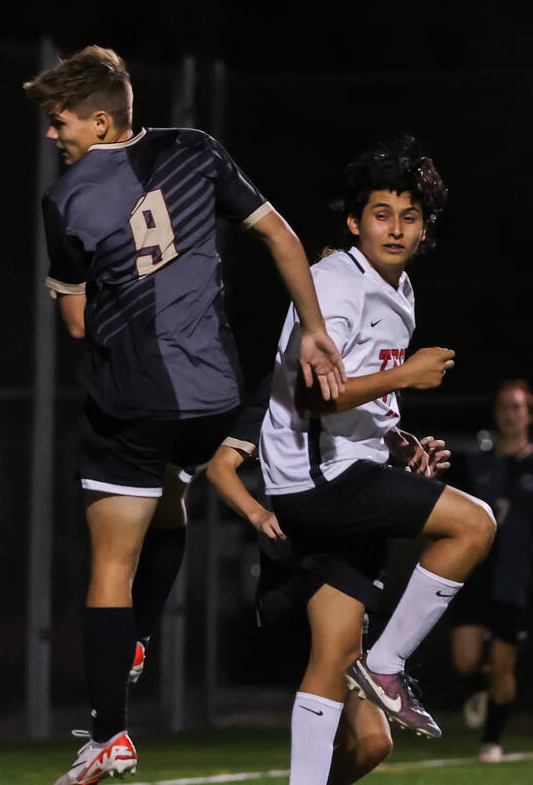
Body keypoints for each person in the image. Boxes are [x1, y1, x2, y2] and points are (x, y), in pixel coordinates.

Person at [21, 45, 346, 784]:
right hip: (213, 398)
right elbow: (280, 236)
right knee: (170, 501)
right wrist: (315, 327)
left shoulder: (67, 198)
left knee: (111, 562)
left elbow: (73, 322)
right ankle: (135, 642)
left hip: (131, 400)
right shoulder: (196, 150)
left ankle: (111, 733)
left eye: (59, 120)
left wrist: (105, 299)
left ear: (100, 122)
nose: (52, 134)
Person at [256, 136, 495, 785]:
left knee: (353, 706)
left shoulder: (401, 290)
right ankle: (388, 664)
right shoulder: (337, 282)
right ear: (354, 221)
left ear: (426, 228)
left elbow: (359, 396)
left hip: (340, 472)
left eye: (409, 215)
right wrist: (408, 379)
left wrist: (398, 442)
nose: (395, 227)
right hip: (317, 479)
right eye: (381, 212)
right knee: (474, 526)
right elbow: (312, 396)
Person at [207, 369, 451, 784]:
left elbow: (359, 474)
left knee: (374, 742)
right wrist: (258, 513)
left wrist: (410, 476)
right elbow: (220, 467)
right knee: (330, 663)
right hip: (312, 554)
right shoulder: (286, 383)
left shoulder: (365, 386)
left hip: (353, 548)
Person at [446, 378, 533, 763]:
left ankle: (492, 740)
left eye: (517, 407)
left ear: (528, 413)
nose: (510, 414)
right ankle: (480, 689)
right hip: (476, 572)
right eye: (503, 407)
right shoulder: (477, 463)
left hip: (517, 579)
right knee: (465, 661)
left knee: (503, 664)